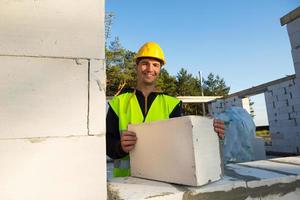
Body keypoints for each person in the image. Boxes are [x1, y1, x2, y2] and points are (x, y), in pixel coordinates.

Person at [106, 41, 225, 177]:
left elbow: (185, 143)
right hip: (126, 183)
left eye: (155, 65)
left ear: (160, 69)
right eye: (145, 63)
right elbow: (107, 143)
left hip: (163, 180)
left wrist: (209, 131)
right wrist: (120, 147)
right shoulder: (118, 102)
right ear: (136, 66)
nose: (150, 69)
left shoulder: (172, 104)